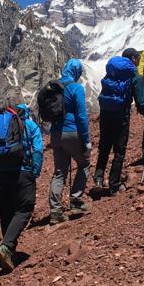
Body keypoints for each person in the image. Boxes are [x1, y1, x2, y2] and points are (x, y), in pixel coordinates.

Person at [0, 103, 43, 272]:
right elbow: (38, 149)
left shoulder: (0, 124)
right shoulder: (29, 125)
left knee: (6, 210)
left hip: (1, 173)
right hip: (22, 171)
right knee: (25, 208)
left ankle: (8, 251)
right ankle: (6, 247)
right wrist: (35, 170)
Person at [95, 48, 144, 194]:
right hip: (121, 115)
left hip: (105, 113)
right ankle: (113, 185)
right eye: (138, 57)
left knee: (104, 146)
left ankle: (98, 177)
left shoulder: (112, 71)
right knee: (119, 151)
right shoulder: (134, 75)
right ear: (133, 58)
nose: (139, 59)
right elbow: (141, 103)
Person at [48, 59, 91, 224]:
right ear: (76, 71)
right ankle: (76, 201)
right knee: (84, 164)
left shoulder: (54, 88)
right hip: (71, 132)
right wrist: (86, 141)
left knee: (59, 172)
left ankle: (55, 211)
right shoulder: (75, 88)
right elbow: (81, 116)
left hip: (55, 134)